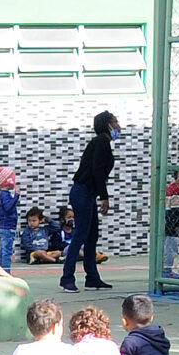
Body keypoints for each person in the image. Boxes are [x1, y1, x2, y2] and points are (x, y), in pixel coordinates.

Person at [61, 111, 119, 291]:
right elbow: (97, 171)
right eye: (115, 122)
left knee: (92, 236)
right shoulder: (101, 142)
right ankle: (67, 278)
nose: (118, 125)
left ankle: (92, 277)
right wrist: (104, 197)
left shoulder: (102, 143)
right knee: (80, 236)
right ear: (108, 125)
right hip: (83, 192)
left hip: (86, 193)